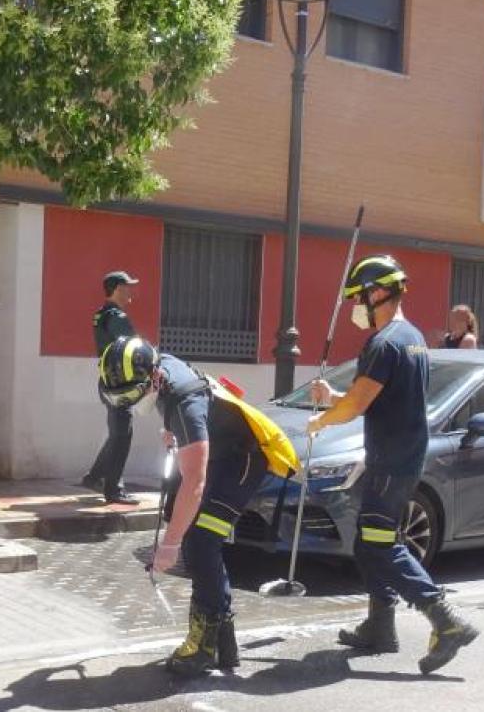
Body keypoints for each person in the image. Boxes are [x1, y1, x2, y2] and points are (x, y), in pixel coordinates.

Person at [307, 255, 479, 675]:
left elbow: (357, 406)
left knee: (379, 543)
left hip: (390, 459)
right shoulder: (413, 337)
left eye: (358, 297)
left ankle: (445, 620)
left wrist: (322, 418)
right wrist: (332, 397)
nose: (356, 307)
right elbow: (377, 396)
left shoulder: (383, 344)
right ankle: (380, 627)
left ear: (378, 293)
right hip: (402, 456)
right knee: (370, 542)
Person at [99, 336, 297, 676]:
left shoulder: (183, 400)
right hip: (222, 455)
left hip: (243, 461)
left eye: (131, 395)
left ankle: (203, 645)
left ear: (154, 378)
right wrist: (170, 428)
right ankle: (224, 642)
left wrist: (170, 544)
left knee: (199, 542)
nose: (127, 402)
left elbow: (195, 481)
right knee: (201, 541)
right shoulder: (161, 368)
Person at [82, 271, 141, 505]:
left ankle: (94, 476)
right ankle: (113, 490)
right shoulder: (117, 317)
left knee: (118, 433)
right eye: (128, 286)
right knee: (122, 436)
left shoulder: (101, 314)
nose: (131, 291)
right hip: (120, 384)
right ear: (117, 289)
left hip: (107, 381)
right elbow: (133, 348)